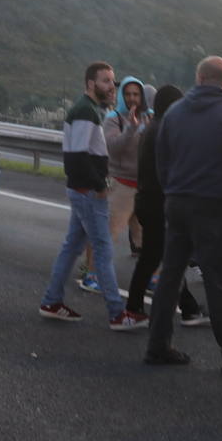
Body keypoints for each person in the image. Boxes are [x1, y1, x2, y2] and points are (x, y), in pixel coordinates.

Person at [144, 56, 222, 375]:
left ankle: (158, 345)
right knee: (219, 282)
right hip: (217, 208)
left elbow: (162, 160)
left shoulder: (174, 113)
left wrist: (172, 189)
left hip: (178, 202)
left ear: (199, 78)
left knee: (170, 277)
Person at [38, 62, 147, 329]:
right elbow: (76, 157)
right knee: (103, 249)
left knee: (72, 247)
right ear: (90, 83)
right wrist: (99, 185)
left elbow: (84, 153)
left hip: (83, 190)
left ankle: (52, 301)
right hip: (88, 192)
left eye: (112, 81)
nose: (112, 86)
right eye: (106, 81)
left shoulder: (90, 110)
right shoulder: (85, 112)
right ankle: (117, 313)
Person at [124, 85, 205, 324]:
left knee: (154, 257)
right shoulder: (164, 130)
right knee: (168, 258)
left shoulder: (153, 127)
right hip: (159, 203)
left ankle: (138, 308)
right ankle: (185, 310)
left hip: (147, 201)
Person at [103, 75, 148, 258]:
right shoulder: (114, 119)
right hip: (121, 184)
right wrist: (130, 129)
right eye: (128, 94)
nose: (132, 98)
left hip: (143, 185)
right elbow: (112, 148)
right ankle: (92, 271)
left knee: (145, 236)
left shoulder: (148, 117)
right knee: (109, 232)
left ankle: (150, 280)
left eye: (136, 94)